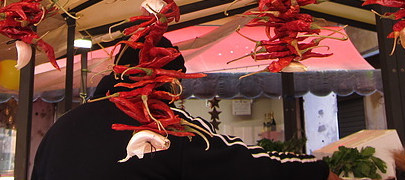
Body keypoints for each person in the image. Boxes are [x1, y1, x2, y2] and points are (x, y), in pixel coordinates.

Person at [31, 37, 338, 180]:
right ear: (168, 81)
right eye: (176, 84)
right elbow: (246, 165)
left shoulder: (60, 128)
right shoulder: (163, 126)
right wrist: (319, 170)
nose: (176, 97)